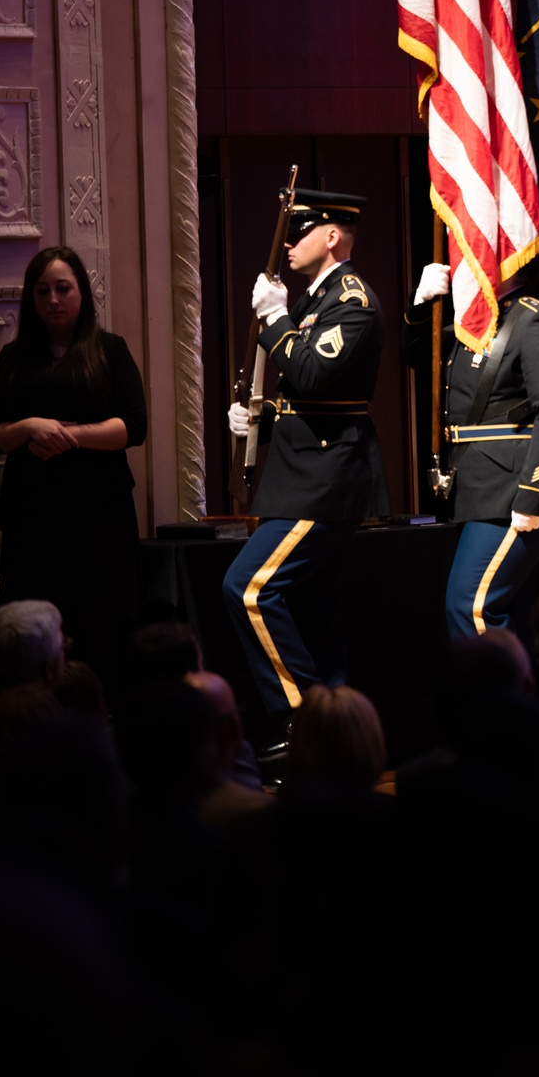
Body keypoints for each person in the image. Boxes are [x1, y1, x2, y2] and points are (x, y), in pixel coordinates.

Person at [223, 188, 388, 749]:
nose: (288, 243)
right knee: (315, 612)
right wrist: (260, 418)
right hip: (303, 473)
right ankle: (338, 738)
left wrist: (272, 319)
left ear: (333, 236)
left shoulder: (352, 299)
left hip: (326, 479)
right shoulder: (316, 300)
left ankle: (300, 724)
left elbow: (314, 374)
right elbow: (306, 396)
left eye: (301, 231)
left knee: (248, 589)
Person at [0, 247, 147, 687]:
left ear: (82, 291)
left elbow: (133, 427)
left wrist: (69, 436)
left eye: (63, 289)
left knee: (101, 632)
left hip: (99, 516)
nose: (53, 300)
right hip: (32, 518)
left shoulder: (109, 350)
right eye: (42, 291)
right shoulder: (12, 358)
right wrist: (30, 427)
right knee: (32, 634)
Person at [403, 255, 539, 638]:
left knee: (470, 608)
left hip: (514, 490)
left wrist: (533, 493)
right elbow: (417, 354)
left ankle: (494, 698)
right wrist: (420, 302)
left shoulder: (533, 319)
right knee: (505, 611)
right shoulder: (476, 321)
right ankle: (521, 696)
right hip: (479, 488)